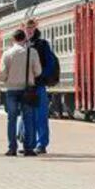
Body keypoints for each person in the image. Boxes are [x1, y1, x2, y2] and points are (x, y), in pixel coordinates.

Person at [0, 29, 42, 156]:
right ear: (24, 39)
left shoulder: (7, 54)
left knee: (11, 119)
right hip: (27, 90)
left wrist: (7, 79)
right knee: (28, 118)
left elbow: (2, 75)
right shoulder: (32, 52)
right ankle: (28, 148)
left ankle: (12, 148)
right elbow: (38, 71)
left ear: (13, 40)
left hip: (12, 90)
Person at [25, 19, 58, 154]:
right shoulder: (21, 44)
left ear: (36, 28)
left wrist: (41, 75)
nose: (29, 30)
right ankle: (29, 143)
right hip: (25, 85)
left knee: (40, 115)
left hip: (38, 85)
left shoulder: (42, 44)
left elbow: (50, 63)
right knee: (27, 116)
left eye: (32, 27)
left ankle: (41, 143)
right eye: (27, 27)